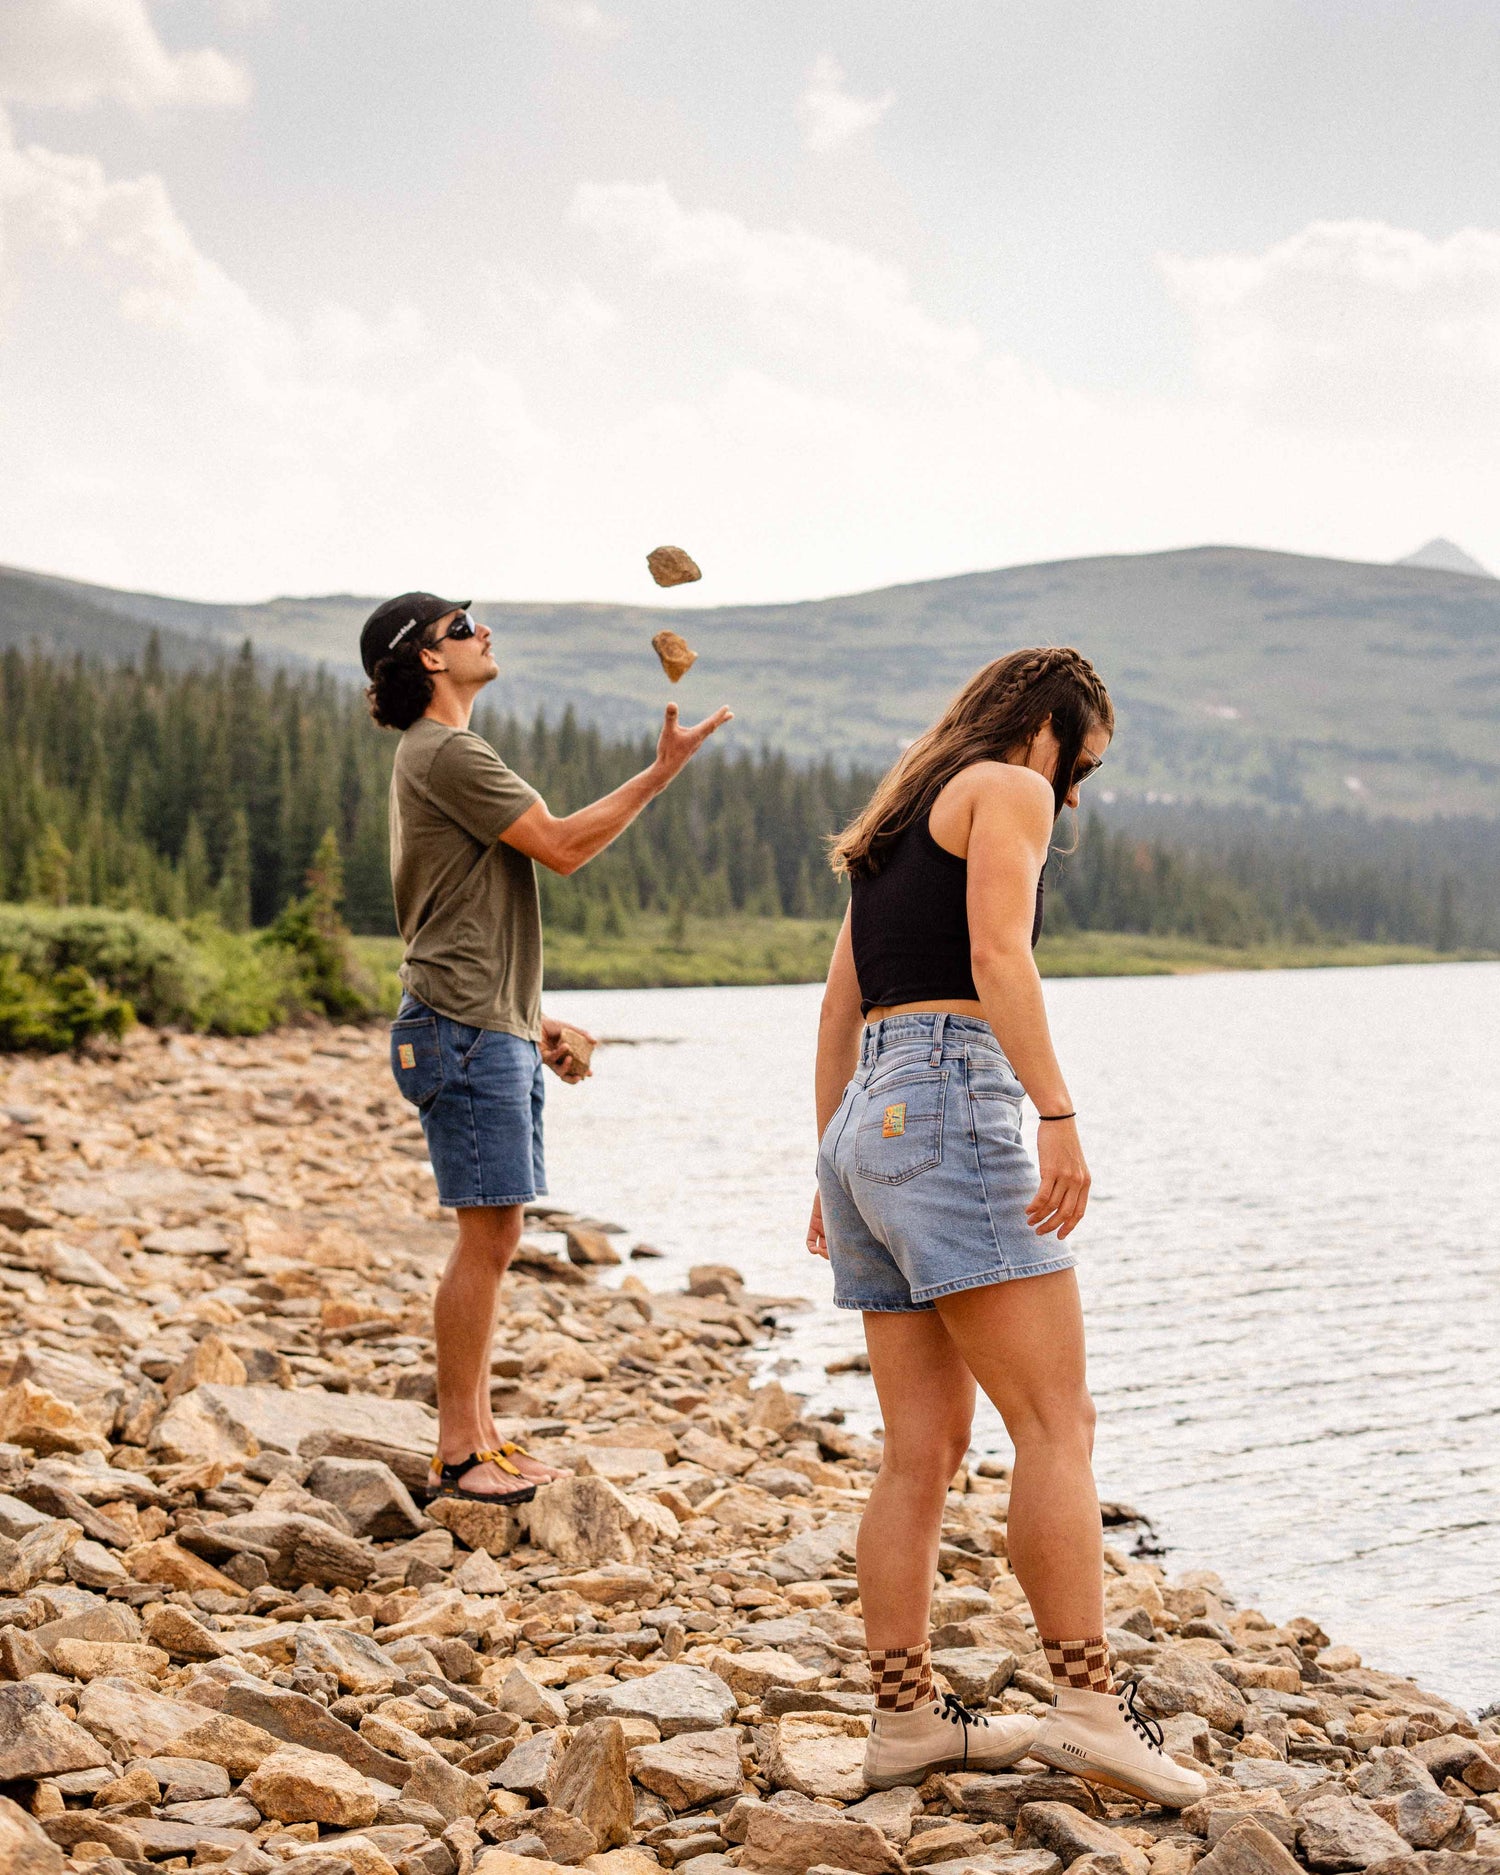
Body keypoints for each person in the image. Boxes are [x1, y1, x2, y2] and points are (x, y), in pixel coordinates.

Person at [809, 645, 1205, 1805]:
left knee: (918, 1454)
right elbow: (998, 957)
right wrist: (1058, 1112)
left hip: (867, 1119)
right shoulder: (1009, 788)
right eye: (1078, 763)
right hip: (947, 1092)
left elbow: (839, 1006)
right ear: (1045, 727)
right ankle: (1088, 1709)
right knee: (1054, 1419)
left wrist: (832, 1159)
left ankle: (906, 1724)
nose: (1071, 794)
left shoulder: (895, 816)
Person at [363, 590, 731, 1508]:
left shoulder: (442, 753)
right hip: (460, 1025)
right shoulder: (445, 749)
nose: (481, 630)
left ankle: (480, 1435)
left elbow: (466, 915)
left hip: (481, 1018)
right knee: (488, 1236)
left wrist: (536, 1023)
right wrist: (660, 772)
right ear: (430, 661)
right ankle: (458, 1450)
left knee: (496, 1232)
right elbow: (563, 846)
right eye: (460, 627)